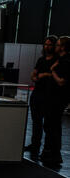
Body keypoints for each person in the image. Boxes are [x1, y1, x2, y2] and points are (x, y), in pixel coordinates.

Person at [25, 36, 58, 159]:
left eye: (50, 45)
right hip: (37, 94)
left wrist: (41, 75)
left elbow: (38, 76)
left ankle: (47, 149)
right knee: (36, 123)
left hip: (49, 95)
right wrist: (42, 75)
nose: (47, 46)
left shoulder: (56, 61)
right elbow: (33, 76)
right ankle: (35, 145)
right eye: (46, 44)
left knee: (48, 125)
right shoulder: (41, 60)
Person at [41, 36, 70, 166]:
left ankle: (54, 155)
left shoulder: (66, 62)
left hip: (57, 99)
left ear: (63, 47)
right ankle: (50, 153)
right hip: (53, 98)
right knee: (50, 126)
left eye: (58, 45)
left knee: (53, 127)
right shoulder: (61, 60)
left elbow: (61, 81)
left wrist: (52, 72)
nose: (55, 47)